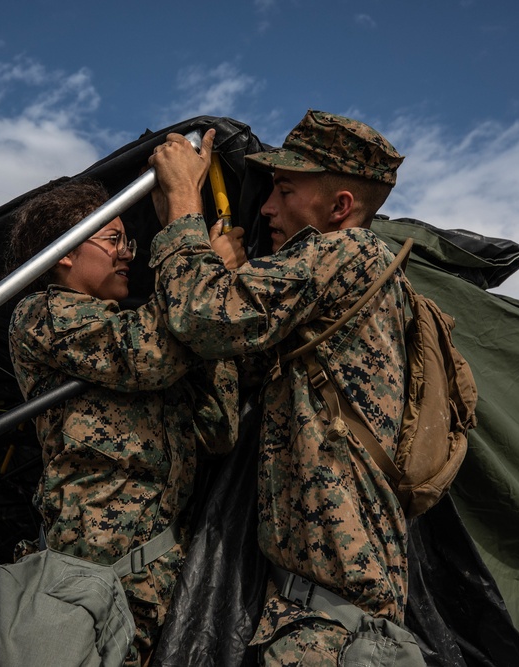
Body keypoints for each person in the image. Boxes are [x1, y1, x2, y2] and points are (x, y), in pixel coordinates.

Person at [148, 111, 425, 665]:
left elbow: (199, 314)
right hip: (321, 619)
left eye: (285, 189)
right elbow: (240, 364)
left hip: (337, 631)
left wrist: (182, 208)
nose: (267, 208)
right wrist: (230, 272)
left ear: (340, 208)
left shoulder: (347, 253)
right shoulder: (360, 281)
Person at [6, 178, 241, 665]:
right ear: (66, 253)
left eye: (126, 241)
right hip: (89, 584)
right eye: (114, 240)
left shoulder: (141, 333)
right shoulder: (42, 314)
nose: (127, 253)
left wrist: (214, 319)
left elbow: (219, 429)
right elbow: (147, 352)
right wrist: (206, 273)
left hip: (161, 586)